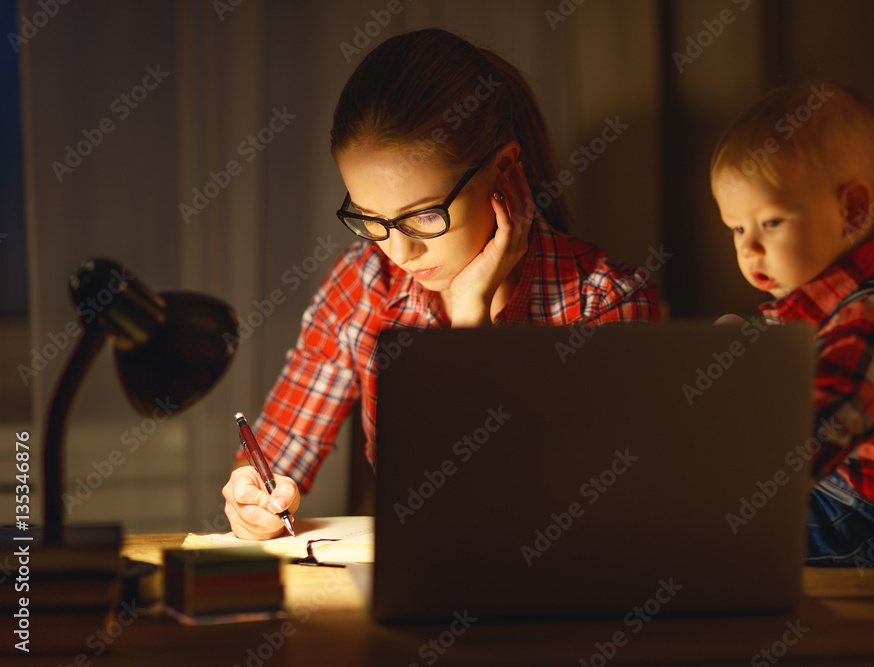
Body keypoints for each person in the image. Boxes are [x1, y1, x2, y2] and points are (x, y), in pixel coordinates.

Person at [223, 28, 660, 539]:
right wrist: (252, 498)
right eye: (370, 218)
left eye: (425, 216)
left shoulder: (603, 304)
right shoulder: (365, 283)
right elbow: (275, 454)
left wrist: (471, 320)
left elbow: (571, 518)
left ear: (503, 170)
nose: (400, 252)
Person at [710, 79, 874, 566]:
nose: (748, 249)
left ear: (852, 210)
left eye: (770, 223)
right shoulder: (871, 281)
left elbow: (809, 442)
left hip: (869, 520)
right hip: (866, 489)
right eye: (736, 228)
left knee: (711, 536)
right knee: (733, 335)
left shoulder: (870, 324)